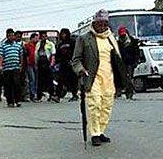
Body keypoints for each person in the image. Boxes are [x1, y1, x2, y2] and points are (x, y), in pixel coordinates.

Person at [72, 9, 128, 147]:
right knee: (94, 104)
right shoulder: (84, 39)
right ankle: (95, 134)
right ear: (94, 23)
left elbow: (118, 59)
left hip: (108, 77)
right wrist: (81, 70)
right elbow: (76, 60)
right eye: (99, 24)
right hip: (92, 77)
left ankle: (101, 130)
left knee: (106, 105)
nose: (102, 27)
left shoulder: (111, 38)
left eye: (105, 24)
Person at [0, 28, 25, 107]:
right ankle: (10, 101)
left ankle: (18, 100)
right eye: (9, 35)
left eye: (12, 35)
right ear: (7, 36)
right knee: (8, 85)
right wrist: (0, 66)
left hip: (16, 67)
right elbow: (0, 56)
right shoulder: (3, 46)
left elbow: (21, 55)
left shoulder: (18, 45)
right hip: (7, 68)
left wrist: (21, 65)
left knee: (17, 84)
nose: (11, 37)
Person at [55, 28, 78, 102]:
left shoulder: (72, 42)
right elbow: (57, 53)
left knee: (72, 79)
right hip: (63, 63)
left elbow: (76, 52)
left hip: (71, 63)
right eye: (62, 34)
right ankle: (57, 96)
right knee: (60, 79)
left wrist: (73, 60)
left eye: (64, 34)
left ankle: (74, 95)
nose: (63, 35)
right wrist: (57, 61)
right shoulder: (60, 43)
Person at [117, 25, 139, 99]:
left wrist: (136, 61)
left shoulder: (132, 41)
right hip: (121, 63)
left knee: (129, 77)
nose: (123, 36)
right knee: (121, 78)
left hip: (130, 63)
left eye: (124, 34)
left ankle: (130, 92)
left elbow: (137, 52)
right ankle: (120, 91)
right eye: (121, 35)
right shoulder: (117, 43)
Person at [35, 31, 56, 101]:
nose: (43, 37)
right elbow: (36, 54)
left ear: (46, 36)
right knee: (40, 81)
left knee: (49, 80)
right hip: (40, 62)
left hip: (47, 62)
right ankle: (39, 96)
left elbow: (53, 54)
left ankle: (51, 95)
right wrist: (36, 63)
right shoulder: (38, 44)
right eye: (42, 36)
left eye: (45, 36)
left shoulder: (50, 44)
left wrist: (52, 64)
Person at [24, 33, 39, 102]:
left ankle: (35, 94)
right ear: (32, 38)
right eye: (36, 38)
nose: (37, 39)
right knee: (32, 79)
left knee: (36, 80)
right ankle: (32, 95)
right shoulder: (27, 45)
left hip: (36, 64)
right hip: (29, 64)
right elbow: (25, 55)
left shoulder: (38, 45)